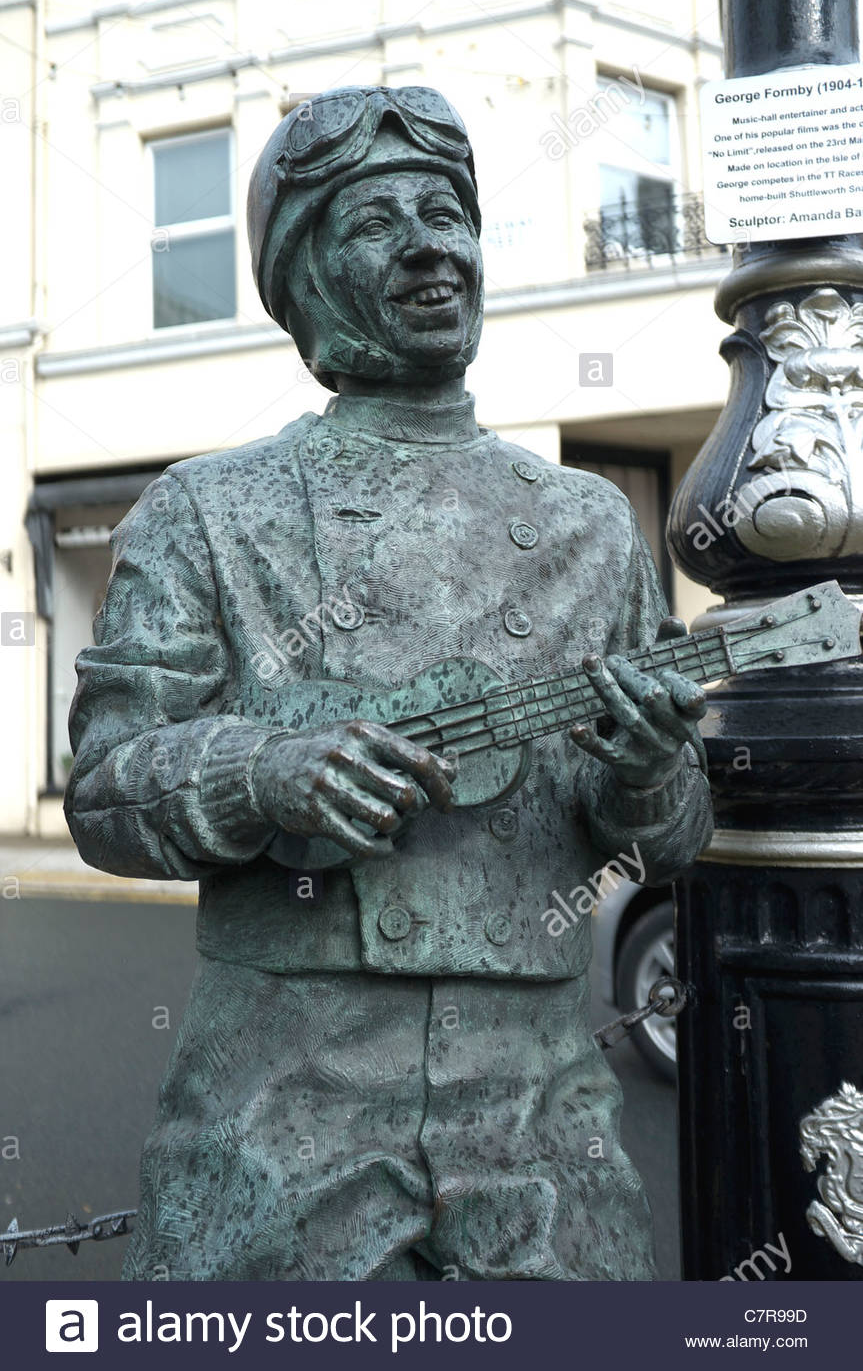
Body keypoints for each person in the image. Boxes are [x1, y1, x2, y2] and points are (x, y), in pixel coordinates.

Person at [65, 85, 713, 1281]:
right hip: (277, 1109)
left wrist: (646, 760)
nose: (429, 242)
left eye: (446, 212)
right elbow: (104, 789)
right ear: (305, 278)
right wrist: (262, 770)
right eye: (375, 221)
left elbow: (668, 840)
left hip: (537, 1118)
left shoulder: (587, 525)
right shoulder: (210, 511)